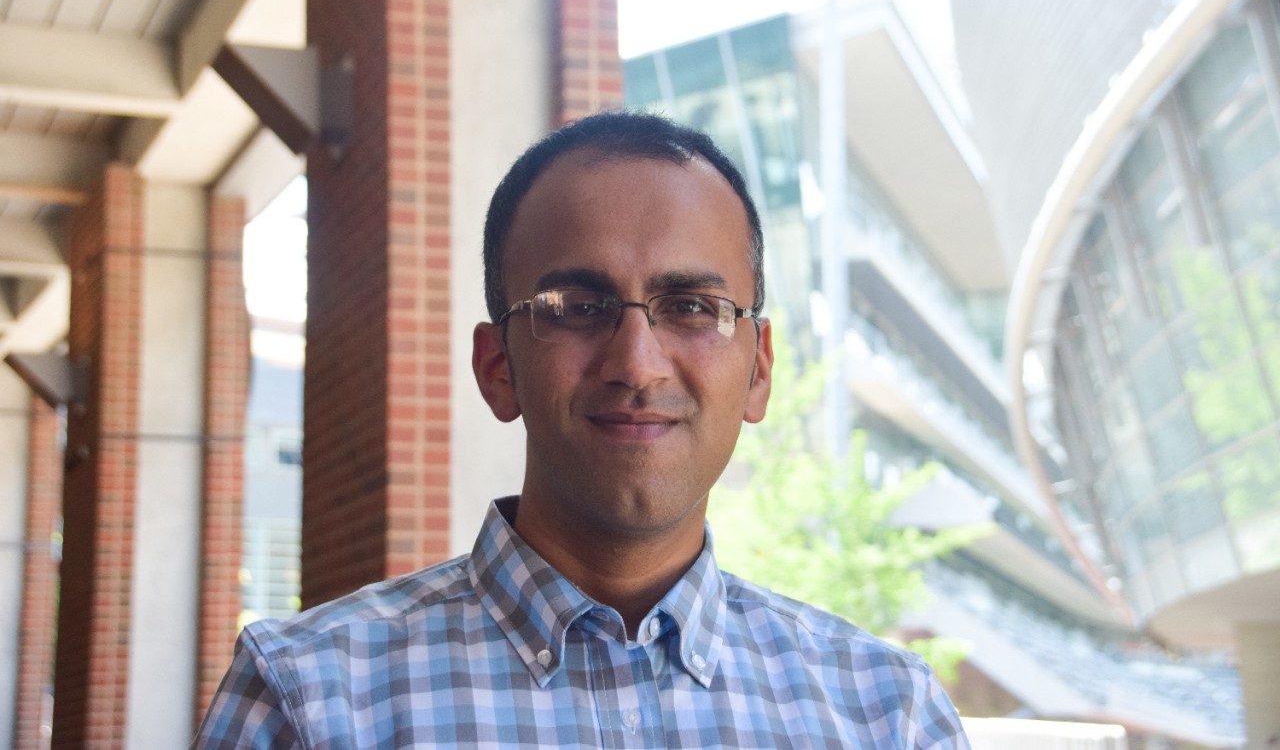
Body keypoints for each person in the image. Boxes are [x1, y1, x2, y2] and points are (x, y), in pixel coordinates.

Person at [194, 111, 970, 748]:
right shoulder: (305, 701)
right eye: (576, 306)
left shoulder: (886, 716)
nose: (638, 364)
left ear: (759, 369)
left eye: (693, 306)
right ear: (497, 365)